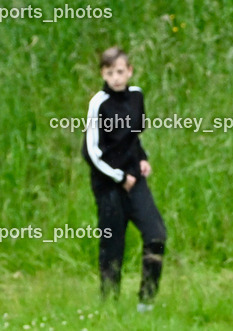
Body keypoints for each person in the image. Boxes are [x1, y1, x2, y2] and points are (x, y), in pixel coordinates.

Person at [82, 47, 166, 311]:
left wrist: (142, 158)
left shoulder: (137, 96)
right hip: (109, 185)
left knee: (156, 235)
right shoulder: (99, 103)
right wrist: (119, 178)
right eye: (110, 73)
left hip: (135, 180)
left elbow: (132, 137)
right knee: (112, 246)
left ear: (129, 71)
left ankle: (146, 303)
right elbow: (91, 151)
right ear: (102, 74)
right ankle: (110, 306)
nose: (116, 78)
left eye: (120, 72)